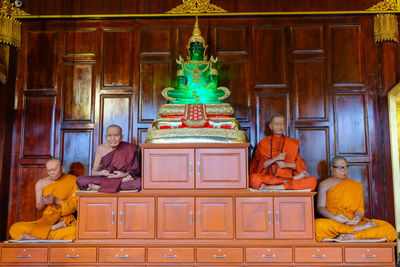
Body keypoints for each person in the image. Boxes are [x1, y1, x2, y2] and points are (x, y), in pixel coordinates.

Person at [315, 156, 396, 242]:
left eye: (346, 167)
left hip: (352, 221)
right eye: (340, 168)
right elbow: (320, 207)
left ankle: (351, 236)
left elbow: (359, 208)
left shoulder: (355, 185)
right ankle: (358, 230)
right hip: (335, 222)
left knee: (388, 228)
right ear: (332, 168)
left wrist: (357, 217)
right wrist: (334, 217)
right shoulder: (324, 185)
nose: (344, 171)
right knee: (317, 226)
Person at [161, 16, 230, 104]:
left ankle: (193, 98)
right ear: (188, 49)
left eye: (199, 47)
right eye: (193, 47)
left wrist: (209, 86)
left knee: (222, 92)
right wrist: (183, 87)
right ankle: (194, 97)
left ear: (204, 49)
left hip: (205, 92)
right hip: (189, 92)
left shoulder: (210, 64)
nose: (196, 50)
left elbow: (213, 82)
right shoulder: (183, 65)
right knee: (169, 92)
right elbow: (180, 83)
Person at [9, 158, 78, 240]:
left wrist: (56, 201)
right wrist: (44, 201)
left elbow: (76, 206)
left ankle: (36, 236)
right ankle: (51, 229)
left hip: (65, 221)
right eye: (49, 170)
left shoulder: (73, 180)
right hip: (47, 220)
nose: (52, 173)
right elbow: (39, 206)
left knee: (75, 232)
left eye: (54, 170)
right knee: (15, 228)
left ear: (62, 168)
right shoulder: (41, 183)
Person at [249, 114, 317, 190]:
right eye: (276, 124)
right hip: (270, 179)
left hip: (287, 178)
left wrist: (286, 165)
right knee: (253, 178)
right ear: (271, 126)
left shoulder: (292, 143)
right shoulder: (263, 143)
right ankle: (289, 181)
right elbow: (258, 166)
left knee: (312, 181)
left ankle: (272, 187)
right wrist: (275, 159)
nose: (279, 127)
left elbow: (301, 167)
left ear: (284, 126)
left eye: (281, 124)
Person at [76, 124, 141, 193]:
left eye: (116, 135)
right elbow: (94, 172)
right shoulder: (101, 148)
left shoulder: (129, 148)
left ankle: (98, 187)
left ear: (121, 137)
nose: (113, 138)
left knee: (139, 182)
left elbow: (134, 171)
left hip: (122, 176)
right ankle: (119, 183)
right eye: (109, 135)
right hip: (106, 178)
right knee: (81, 180)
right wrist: (101, 173)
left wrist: (123, 174)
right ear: (106, 137)